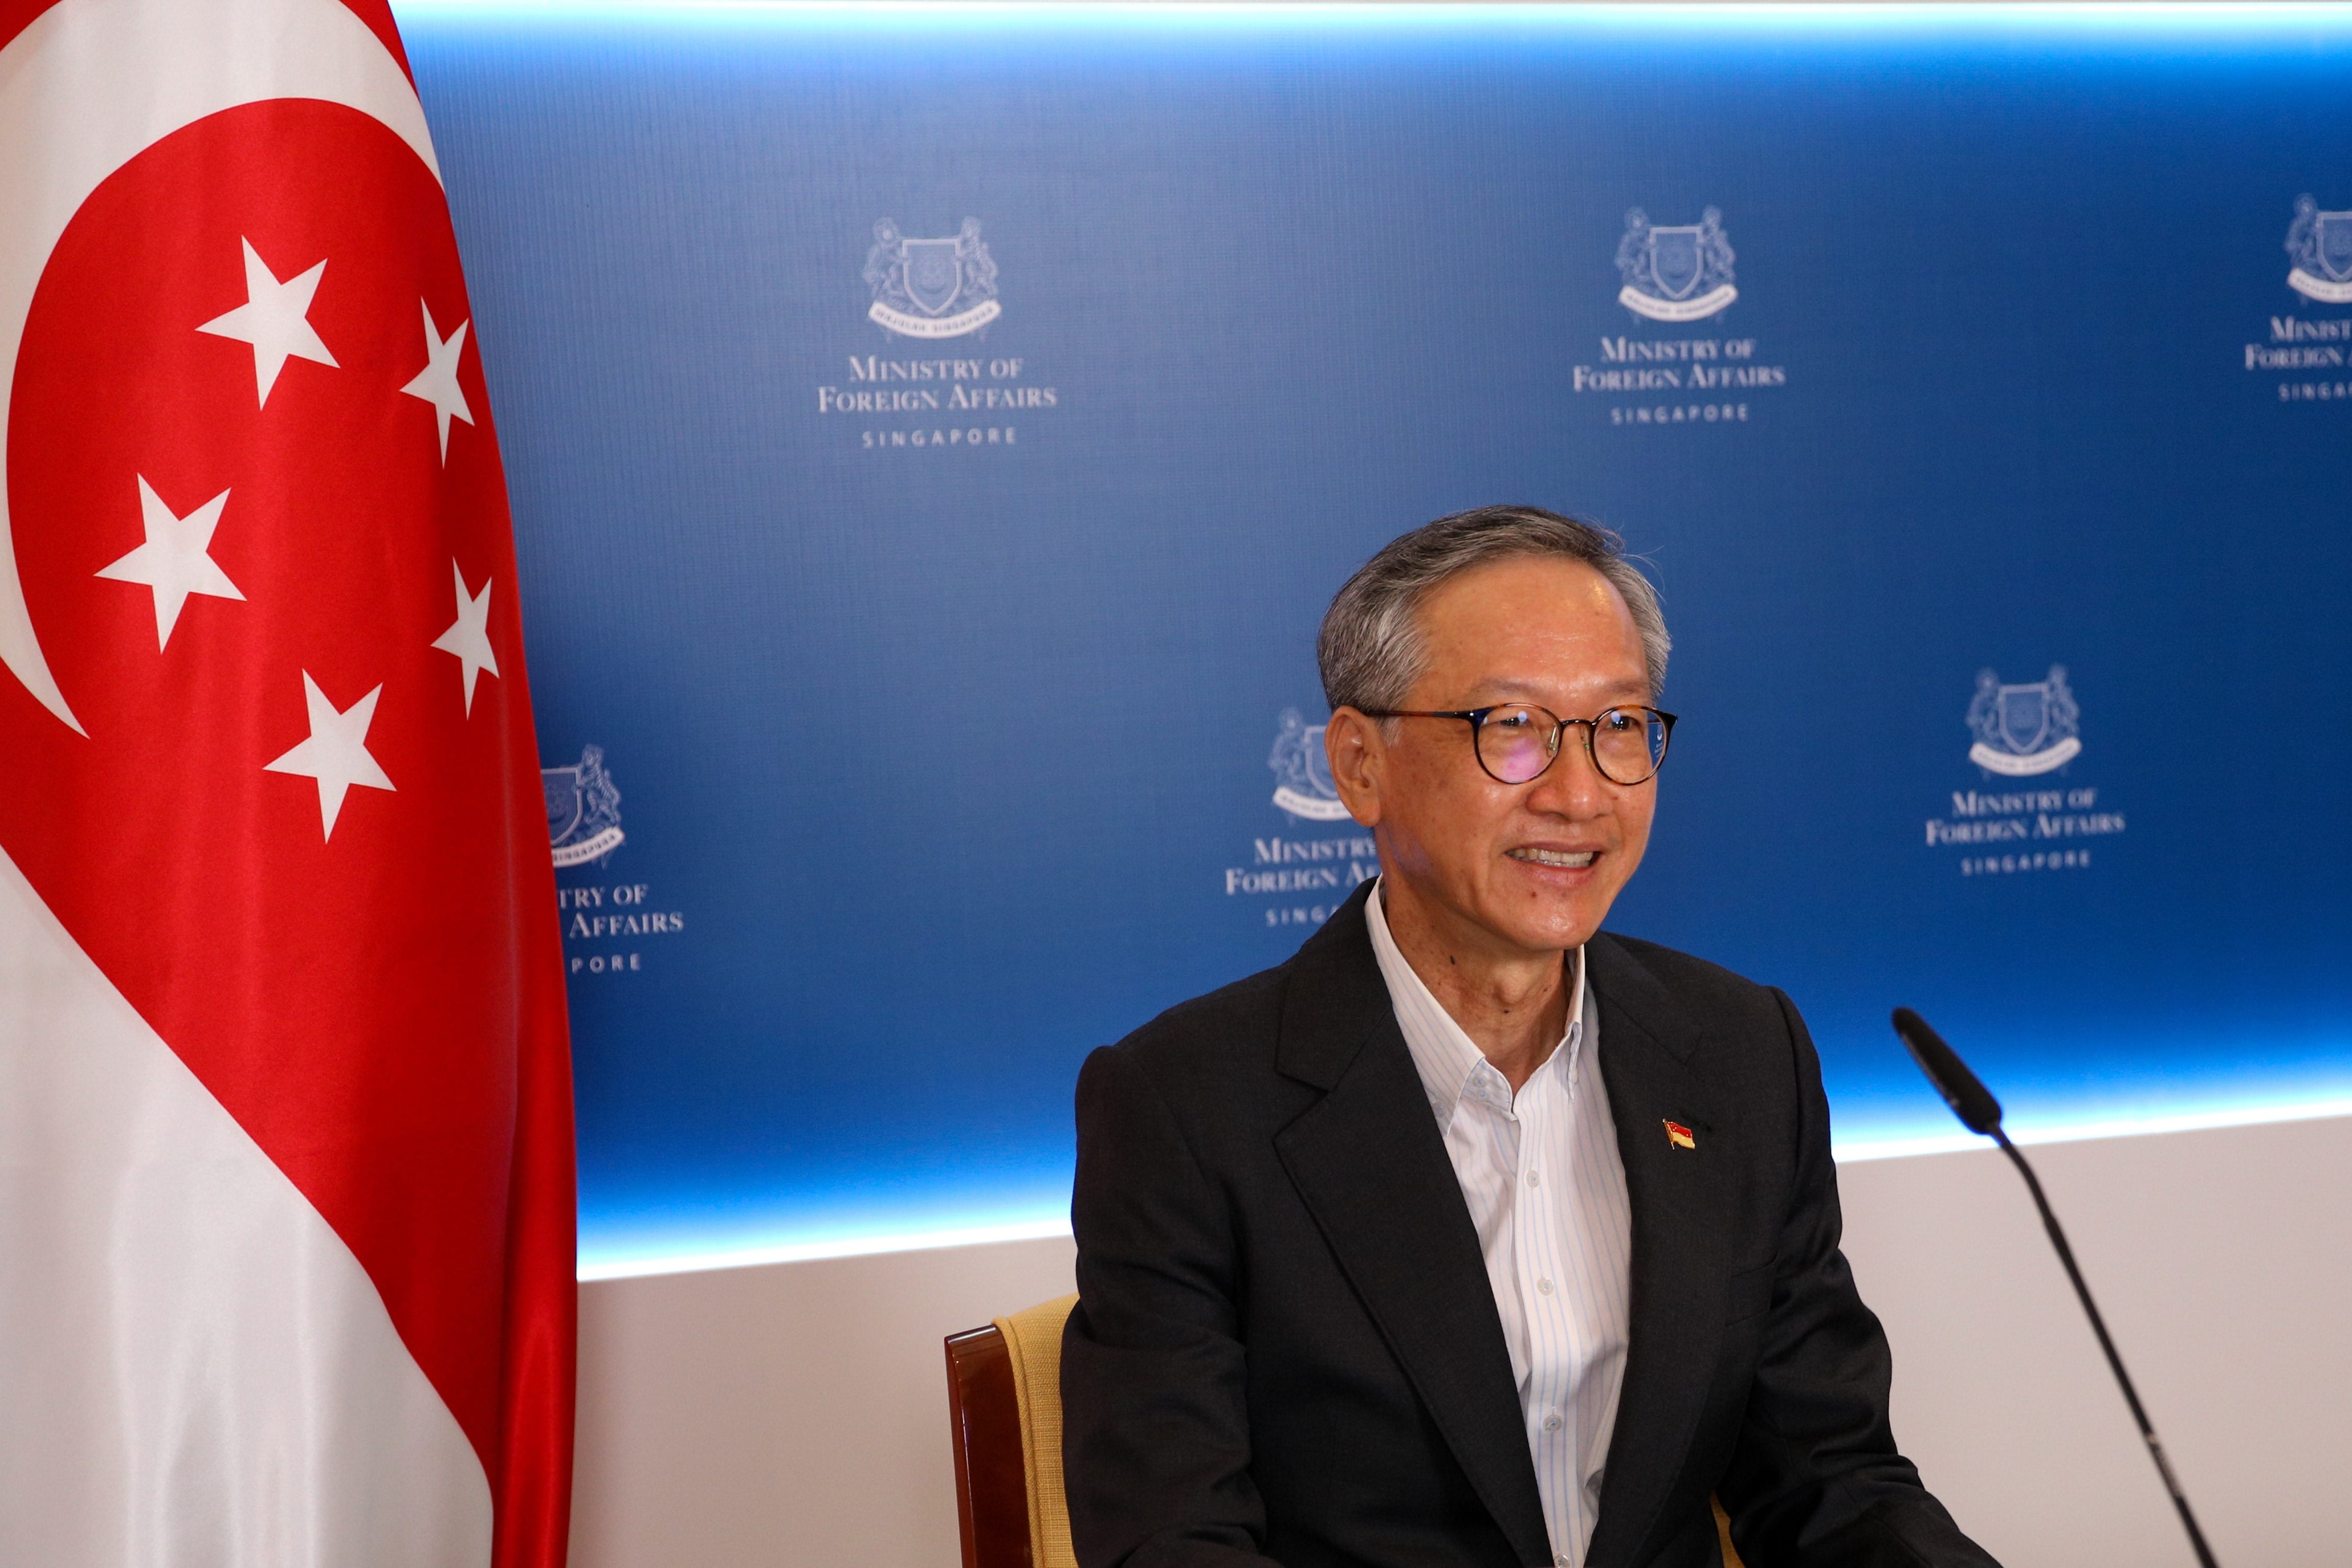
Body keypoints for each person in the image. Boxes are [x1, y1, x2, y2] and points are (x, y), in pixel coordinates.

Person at [1061, 507, 1999, 1568]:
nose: (1578, 793)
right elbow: (1172, 1543)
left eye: (1617, 728)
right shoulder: (1186, 1104)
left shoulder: (1741, 1054)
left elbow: (1832, 1481)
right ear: (1358, 765)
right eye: (1510, 726)